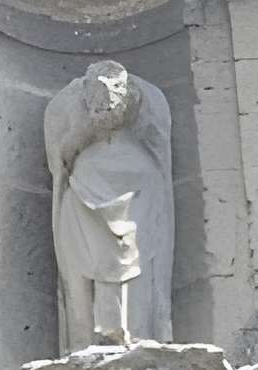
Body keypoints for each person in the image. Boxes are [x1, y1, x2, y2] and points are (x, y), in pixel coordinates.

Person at [44, 59, 175, 351]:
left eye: (110, 105)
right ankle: (90, 342)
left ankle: (135, 339)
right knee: (84, 286)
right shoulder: (83, 157)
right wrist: (80, 135)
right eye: (97, 105)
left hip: (134, 195)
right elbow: (60, 163)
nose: (104, 112)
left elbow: (156, 231)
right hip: (83, 201)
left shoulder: (145, 166)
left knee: (136, 280)